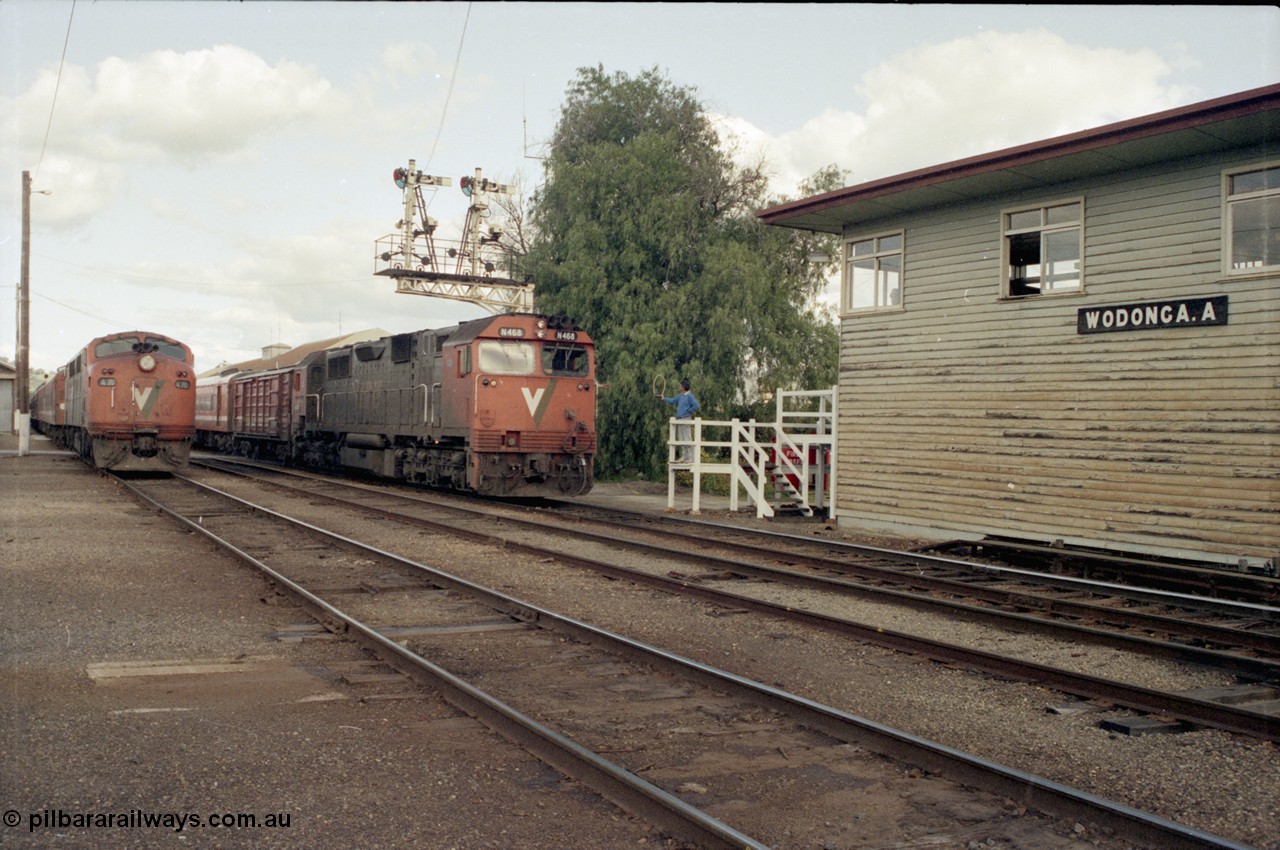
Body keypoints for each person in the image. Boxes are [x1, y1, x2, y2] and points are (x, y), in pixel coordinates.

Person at [658, 378, 700, 464]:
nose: (679, 387)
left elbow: (696, 405)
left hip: (685, 419)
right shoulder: (680, 396)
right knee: (681, 438)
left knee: (687, 438)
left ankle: (690, 457)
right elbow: (673, 401)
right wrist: (664, 398)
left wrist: (688, 411)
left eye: (680, 386)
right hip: (679, 419)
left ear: (684, 387)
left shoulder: (689, 396)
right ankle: (684, 457)